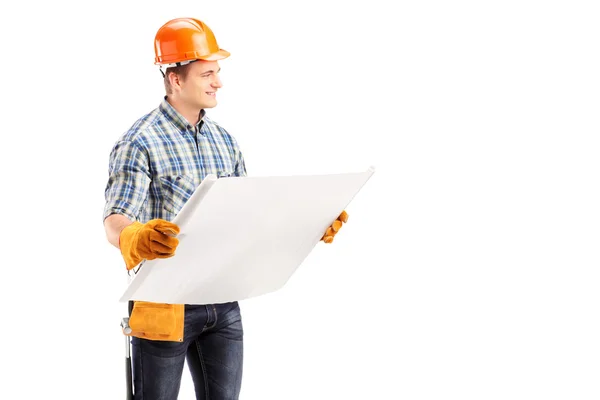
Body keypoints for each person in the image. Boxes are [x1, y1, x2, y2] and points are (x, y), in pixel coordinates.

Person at [103, 17, 349, 400]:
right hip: (165, 306)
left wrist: (310, 224)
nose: (218, 82)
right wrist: (135, 235)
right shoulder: (139, 141)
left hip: (223, 301)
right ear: (176, 79)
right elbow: (115, 221)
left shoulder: (224, 141)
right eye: (207, 73)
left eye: (217, 72)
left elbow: (248, 217)